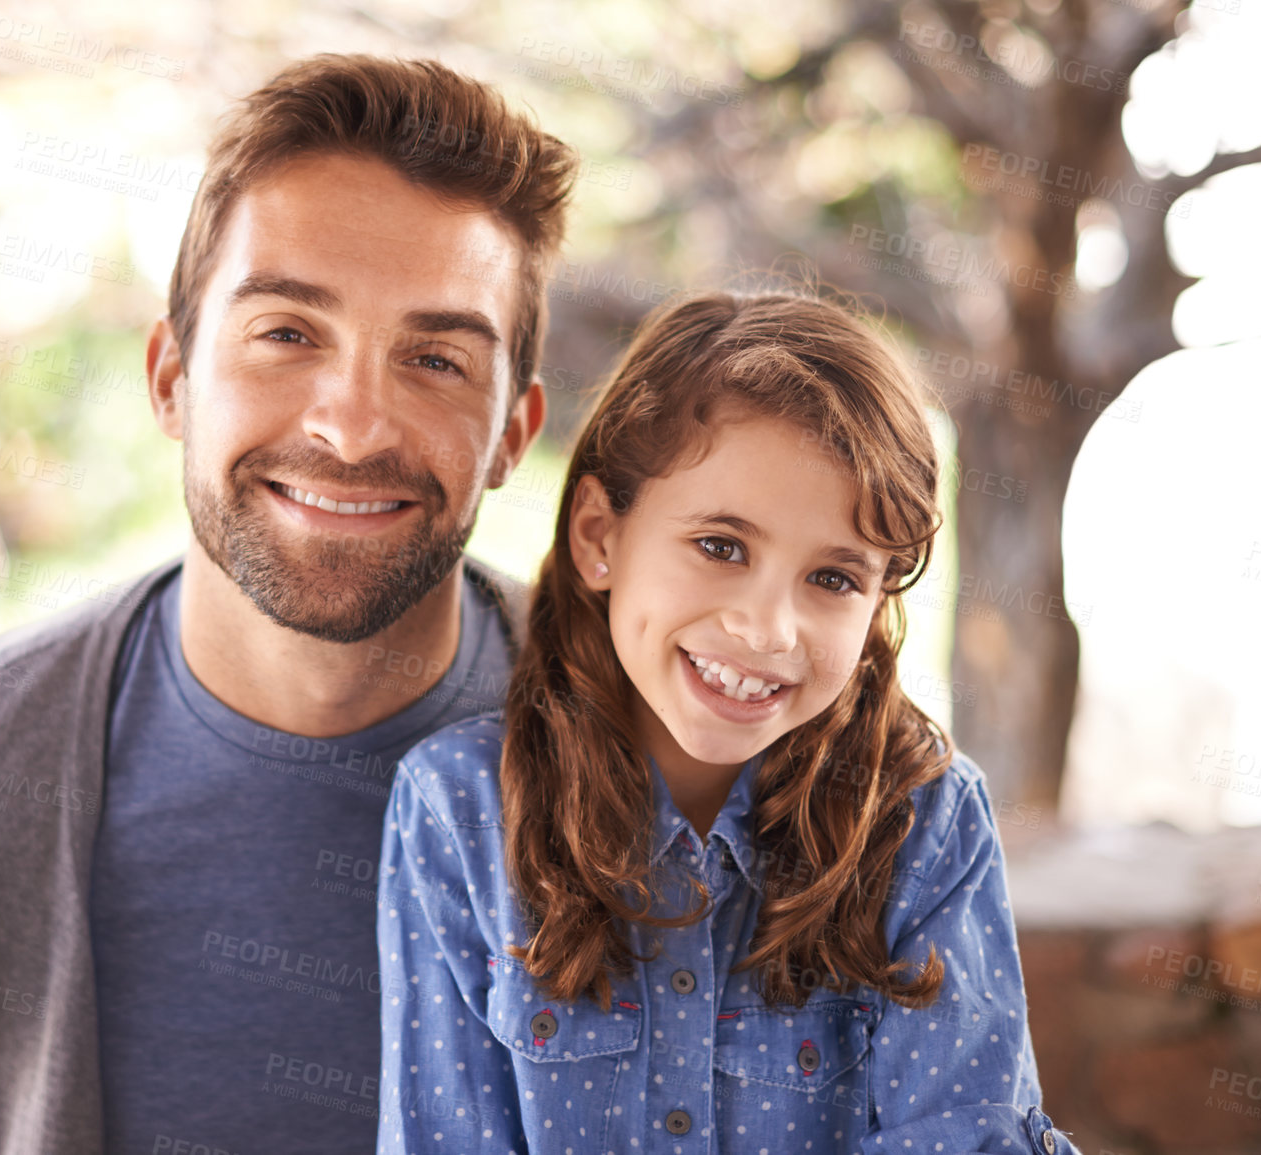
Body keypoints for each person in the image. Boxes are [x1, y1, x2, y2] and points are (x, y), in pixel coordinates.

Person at [0, 54, 576, 1154]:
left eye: (437, 359)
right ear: (171, 380)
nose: (352, 427)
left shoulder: (670, 754)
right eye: (288, 334)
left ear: (514, 433)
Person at [376, 289, 1083, 1154]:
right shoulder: (457, 807)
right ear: (599, 534)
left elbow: (960, 1133)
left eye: (833, 578)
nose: (766, 629)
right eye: (720, 546)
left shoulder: (924, 823)